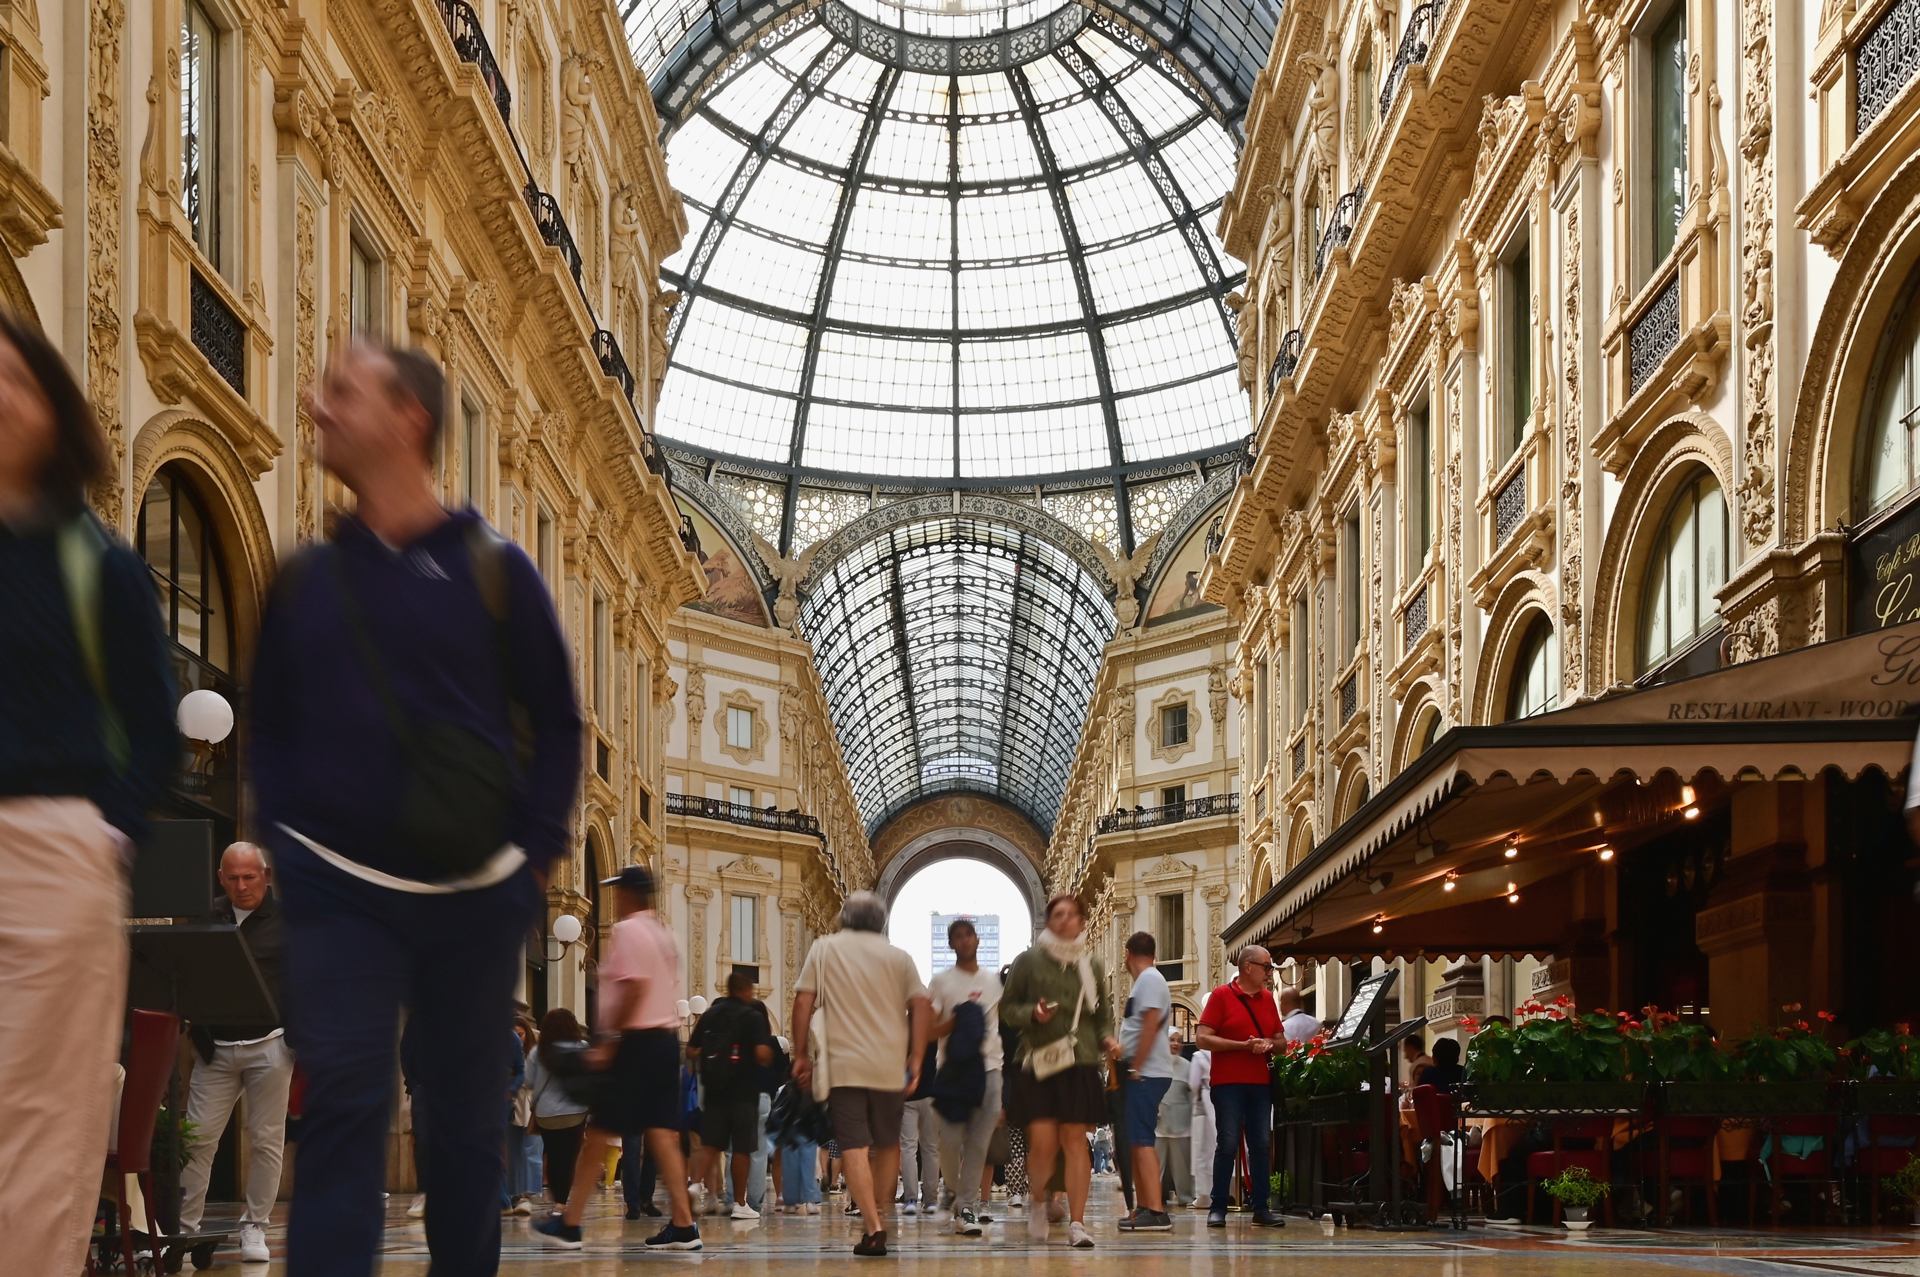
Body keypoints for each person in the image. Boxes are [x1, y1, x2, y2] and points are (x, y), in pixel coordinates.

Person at [250, 341, 582, 1276]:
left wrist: (530, 862)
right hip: (341, 893)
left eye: (341, 392)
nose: (316, 406)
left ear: (409, 419)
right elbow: (267, 727)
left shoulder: (493, 569)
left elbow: (558, 723)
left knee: (464, 1130)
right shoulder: (308, 579)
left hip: (472, 898)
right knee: (346, 1107)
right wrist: (291, 850)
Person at [0, 311, 177, 1275]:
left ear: (53, 411)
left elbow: (154, 727)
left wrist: (101, 832)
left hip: (52, 854)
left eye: (12, 378)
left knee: (40, 1118)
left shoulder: (96, 559)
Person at [535, 867, 700, 1250]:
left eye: (619, 891)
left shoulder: (628, 931)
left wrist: (608, 1043)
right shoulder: (663, 935)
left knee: (598, 1134)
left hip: (635, 1043)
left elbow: (631, 988)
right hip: (664, 1042)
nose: (615, 898)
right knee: (662, 1134)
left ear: (630, 895)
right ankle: (685, 1224)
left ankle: (571, 1222)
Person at [792, 892, 930, 1258]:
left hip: (845, 1064)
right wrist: (916, 1057)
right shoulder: (899, 957)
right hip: (888, 1065)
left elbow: (804, 1000)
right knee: (887, 1144)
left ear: (845, 917)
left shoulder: (824, 949)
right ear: (880, 922)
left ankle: (873, 1224)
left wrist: (801, 1053)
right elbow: (921, 1004)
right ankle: (879, 1211)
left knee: (852, 1145)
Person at [179, 843, 292, 1265]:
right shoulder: (206, 916)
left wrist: (294, 1038)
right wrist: (197, 1030)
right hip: (216, 1049)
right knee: (197, 1139)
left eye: (250, 876)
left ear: (266, 875)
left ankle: (255, 1226)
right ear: (220, 878)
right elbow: (185, 971)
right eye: (233, 878)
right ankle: (183, 1227)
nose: (242, 886)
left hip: (270, 1046)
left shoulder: (290, 921)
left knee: (266, 1141)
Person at [1000, 893, 1116, 1249]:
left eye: (1071, 914)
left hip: (1079, 1061)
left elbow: (1102, 1014)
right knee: (1043, 1143)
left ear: (1082, 921)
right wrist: (1031, 1014)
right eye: (1057, 914)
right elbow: (1006, 1009)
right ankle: (1038, 1202)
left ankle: (1078, 1223)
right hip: (1038, 1061)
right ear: (1049, 922)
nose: (1064, 920)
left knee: (1075, 1143)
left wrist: (1108, 1039)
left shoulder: (1092, 964)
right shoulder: (1028, 962)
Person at [1195, 945, 1285, 1229]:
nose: (1270, 972)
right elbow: (1202, 1038)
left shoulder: (1268, 999)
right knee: (1228, 1143)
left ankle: (1261, 1207)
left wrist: (1269, 1044)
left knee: (1260, 1144)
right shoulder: (1221, 996)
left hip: (1260, 1083)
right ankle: (1218, 1206)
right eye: (1266, 966)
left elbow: (1281, 1041)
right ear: (1248, 967)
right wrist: (1242, 1046)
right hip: (1228, 1083)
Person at [929, 917, 1002, 1235]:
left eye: (968, 934)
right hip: (954, 1071)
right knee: (949, 1140)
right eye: (956, 936)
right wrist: (957, 1020)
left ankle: (967, 1208)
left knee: (978, 1144)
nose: (964, 940)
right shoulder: (941, 982)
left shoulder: (995, 981)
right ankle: (952, 1188)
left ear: (977, 939)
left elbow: (1007, 1025)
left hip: (990, 1068)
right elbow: (930, 1028)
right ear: (950, 944)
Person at [687, 969, 775, 1220]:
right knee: (741, 1149)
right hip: (743, 1091)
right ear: (746, 990)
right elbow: (761, 1054)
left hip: (715, 1090)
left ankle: (694, 1186)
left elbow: (691, 1051)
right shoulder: (752, 1016)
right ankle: (739, 1203)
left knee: (711, 1144)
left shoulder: (710, 1014)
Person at [1116, 932, 1175, 1232]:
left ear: (1127, 954)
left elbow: (1150, 1024)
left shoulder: (1150, 979)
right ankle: (1144, 1206)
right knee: (1135, 1139)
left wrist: (1135, 1066)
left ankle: (1155, 1209)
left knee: (1141, 1139)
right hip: (1146, 1070)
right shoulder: (1147, 981)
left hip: (1147, 1072)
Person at [526, 1009, 590, 1208]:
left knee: (553, 1156)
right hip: (575, 1112)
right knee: (569, 1158)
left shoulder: (538, 1051)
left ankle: (557, 1201)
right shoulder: (583, 1048)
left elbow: (528, 1081)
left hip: (546, 1113)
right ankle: (562, 1202)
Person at [1157, 1030, 1193, 1207]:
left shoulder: (1187, 1065)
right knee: (1157, 1166)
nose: (1175, 1044)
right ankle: (1155, 1197)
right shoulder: (1155, 1064)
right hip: (1159, 1122)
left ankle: (1185, 1197)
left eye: (1179, 1041)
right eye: (1171, 1040)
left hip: (1181, 1122)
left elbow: (1192, 1093)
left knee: (1182, 1167)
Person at [1187, 1041, 1215, 1210]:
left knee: (1202, 1151)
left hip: (1203, 1104)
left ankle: (1204, 1196)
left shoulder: (1199, 1056)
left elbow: (1193, 1084)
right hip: (1223, 1101)